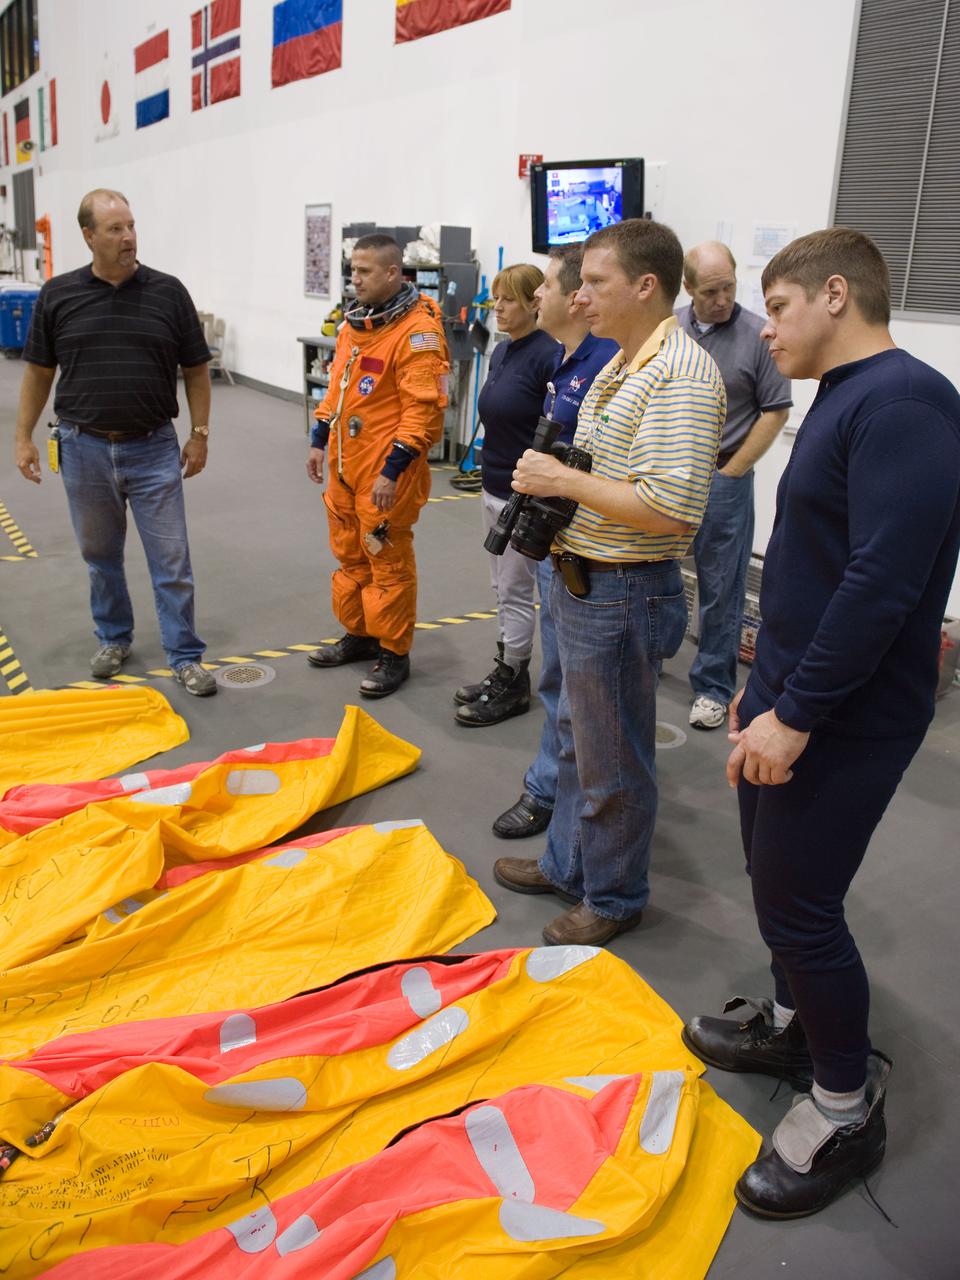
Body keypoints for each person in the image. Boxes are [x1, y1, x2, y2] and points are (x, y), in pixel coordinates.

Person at [682, 228, 960, 1217]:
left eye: (780, 306)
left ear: (837, 294)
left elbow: (881, 584)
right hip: (795, 700)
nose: (767, 328)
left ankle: (845, 1099)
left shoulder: (909, 402)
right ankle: (798, 1022)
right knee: (773, 878)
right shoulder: (848, 400)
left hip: (848, 717)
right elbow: (813, 571)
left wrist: (793, 714)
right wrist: (760, 700)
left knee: (802, 903)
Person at [494, 220, 725, 946]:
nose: (580, 296)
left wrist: (561, 478)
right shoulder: (625, 362)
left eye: (596, 282)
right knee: (573, 739)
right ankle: (570, 865)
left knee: (613, 757)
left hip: (621, 588)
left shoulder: (679, 376)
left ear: (645, 286)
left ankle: (615, 896)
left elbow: (668, 507)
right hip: (580, 578)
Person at [14, 188, 216, 696]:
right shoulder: (58, 295)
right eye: (115, 229)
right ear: (88, 236)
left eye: (131, 226)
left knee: (171, 560)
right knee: (100, 555)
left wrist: (199, 433)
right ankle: (113, 637)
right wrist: (23, 437)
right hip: (83, 450)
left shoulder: (169, 292)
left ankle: (185, 655)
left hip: (153, 448)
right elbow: (39, 373)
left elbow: (196, 369)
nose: (128, 237)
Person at [492, 246, 617, 836]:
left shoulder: (606, 364)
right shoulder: (567, 362)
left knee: (576, 691)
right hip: (556, 542)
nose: (534, 295)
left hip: (590, 554)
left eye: (542, 286)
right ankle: (555, 787)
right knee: (556, 679)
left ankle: (555, 794)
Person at [305, 234, 449, 697]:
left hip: (385, 470)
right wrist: (317, 440)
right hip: (345, 465)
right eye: (353, 270)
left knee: (386, 559)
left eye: (365, 271)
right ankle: (362, 635)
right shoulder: (355, 327)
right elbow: (338, 389)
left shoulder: (418, 332)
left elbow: (422, 410)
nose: (355, 278)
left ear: (393, 273)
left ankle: (393, 652)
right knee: (350, 552)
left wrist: (393, 470)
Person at [677, 242, 792, 730]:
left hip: (724, 473)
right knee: (651, 570)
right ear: (688, 289)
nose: (723, 298)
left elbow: (775, 410)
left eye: (729, 287)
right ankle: (649, 657)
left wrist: (732, 470)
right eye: (711, 291)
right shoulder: (670, 329)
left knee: (721, 585)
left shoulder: (754, 335)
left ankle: (712, 687)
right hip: (668, 473)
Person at [454, 264, 559, 726]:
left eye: (508, 299)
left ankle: (514, 680)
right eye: (495, 299)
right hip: (493, 486)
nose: (497, 307)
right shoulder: (502, 352)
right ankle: (506, 666)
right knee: (501, 587)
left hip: (523, 494)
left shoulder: (549, 356)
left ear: (535, 302)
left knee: (516, 590)